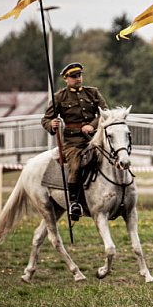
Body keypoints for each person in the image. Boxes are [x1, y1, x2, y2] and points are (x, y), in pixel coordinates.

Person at [41, 62, 108, 220]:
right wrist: (52, 124)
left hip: (95, 138)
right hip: (73, 142)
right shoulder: (60, 97)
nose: (78, 79)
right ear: (66, 79)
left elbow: (105, 113)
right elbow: (46, 119)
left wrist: (92, 126)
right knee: (76, 166)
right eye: (74, 76)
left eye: (79, 75)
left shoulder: (93, 92)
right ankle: (74, 203)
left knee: (114, 156)